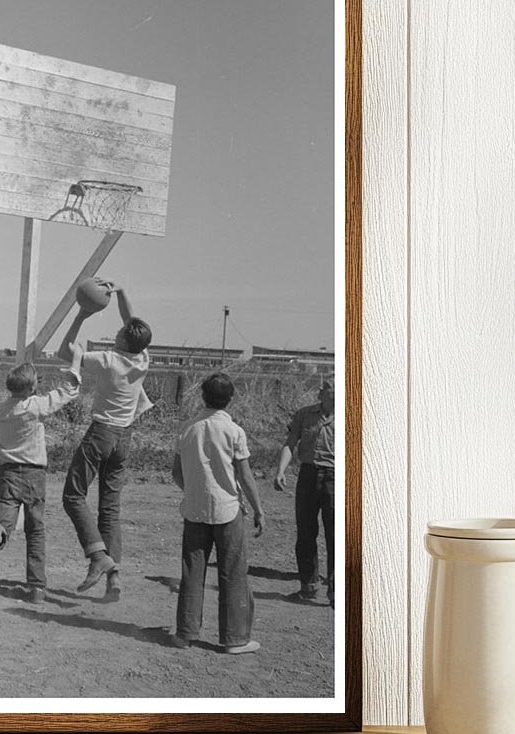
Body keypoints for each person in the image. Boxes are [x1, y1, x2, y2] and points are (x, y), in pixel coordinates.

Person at [56, 280, 152, 599]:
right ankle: (115, 578)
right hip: (124, 438)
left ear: (123, 339)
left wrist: (81, 316)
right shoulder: (141, 359)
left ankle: (98, 557)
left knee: (73, 495)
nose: (118, 330)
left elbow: (63, 351)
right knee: (110, 508)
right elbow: (132, 323)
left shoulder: (108, 360)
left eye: (121, 331)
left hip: (101, 434)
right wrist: (122, 291)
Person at [0, 346, 85, 603]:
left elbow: (23, 398)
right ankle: (37, 587)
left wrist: (30, 387)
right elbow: (65, 393)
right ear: (30, 389)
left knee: (4, 513)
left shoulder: (0, 410)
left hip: (7, 473)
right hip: (33, 474)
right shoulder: (34, 406)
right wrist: (76, 364)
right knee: (35, 529)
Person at [171, 373, 264, 654]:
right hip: (227, 510)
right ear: (230, 398)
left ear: (203, 396)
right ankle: (235, 638)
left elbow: (177, 473)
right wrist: (258, 509)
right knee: (233, 573)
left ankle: (185, 633)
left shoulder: (187, 429)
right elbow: (245, 476)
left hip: (195, 510)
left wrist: (195, 490)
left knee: (192, 572)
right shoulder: (234, 431)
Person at [275, 378, 335, 606]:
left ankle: (336, 592)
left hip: (335, 477)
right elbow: (290, 443)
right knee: (306, 533)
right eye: (331, 390)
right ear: (321, 393)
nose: (336, 395)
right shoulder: (304, 414)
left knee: (335, 535)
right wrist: (280, 470)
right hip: (308, 476)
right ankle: (308, 586)